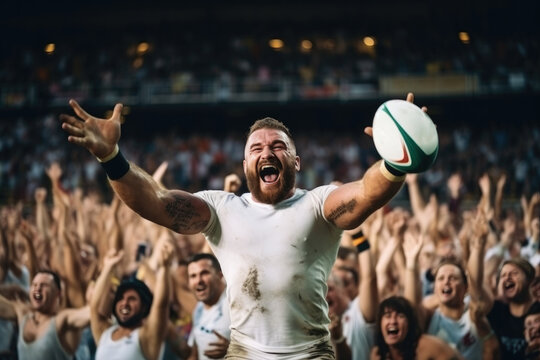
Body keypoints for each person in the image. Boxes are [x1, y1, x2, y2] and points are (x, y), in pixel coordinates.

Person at [59, 93, 418, 358]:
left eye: (278, 146)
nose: (267, 152)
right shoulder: (221, 209)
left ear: (296, 160)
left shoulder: (318, 203)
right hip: (243, 353)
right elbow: (155, 202)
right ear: (245, 163)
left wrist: (395, 161)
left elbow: (368, 193)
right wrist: (111, 157)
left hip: (311, 353)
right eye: (256, 148)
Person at [91, 246, 172, 360]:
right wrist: (108, 267)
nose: (124, 303)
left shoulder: (146, 336)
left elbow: (161, 305)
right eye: (121, 298)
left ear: (144, 307)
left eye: (132, 299)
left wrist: (165, 268)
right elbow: (94, 307)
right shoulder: (104, 334)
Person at [0, 270, 90, 360]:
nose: (37, 288)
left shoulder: (63, 321)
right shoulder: (23, 314)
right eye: (34, 285)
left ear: (58, 293)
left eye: (44, 285)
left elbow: (92, 313)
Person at [370, 296, 462, 360]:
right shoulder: (378, 353)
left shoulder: (429, 346)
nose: (393, 321)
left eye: (400, 316)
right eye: (388, 316)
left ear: (410, 323)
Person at [487, 258, 538, 360]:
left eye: (514, 273)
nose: (507, 278)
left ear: (529, 279)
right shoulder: (497, 310)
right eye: (503, 276)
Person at [186, 253, 230, 360]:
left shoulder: (234, 304)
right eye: (193, 276)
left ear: (220, 275)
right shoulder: (199, 309)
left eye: (204, 273)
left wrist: (233, 350)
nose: (198, 281)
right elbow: (195, 353)